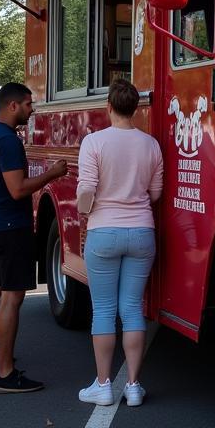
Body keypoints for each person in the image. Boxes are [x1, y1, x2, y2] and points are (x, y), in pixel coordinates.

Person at [0, 82, 67, 390]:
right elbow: (18, 189)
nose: (32, 109)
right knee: (13, 296)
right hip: (11, 226)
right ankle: (5, 373)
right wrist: (53, 173)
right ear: (12, 106)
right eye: (27, 104)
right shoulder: (7, 140)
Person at [76, 78, 163, 407]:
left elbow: (86, 191)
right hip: (142, 232)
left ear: (108, 106)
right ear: (136, 109)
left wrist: (86, 210)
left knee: (104, 311)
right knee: (132, 309)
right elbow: (155, 194)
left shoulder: (94, 142)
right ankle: (134, 385)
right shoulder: (151, 145)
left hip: (104, 232)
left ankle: (103, 385)